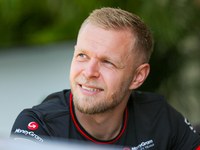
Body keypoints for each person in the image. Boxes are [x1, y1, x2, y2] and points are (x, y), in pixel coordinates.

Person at [10, 7, 200, 150]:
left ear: (138, 76)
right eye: (82, 56)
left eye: (108, 62)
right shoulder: (39, 127)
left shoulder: (159, 116)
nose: (89, 71)